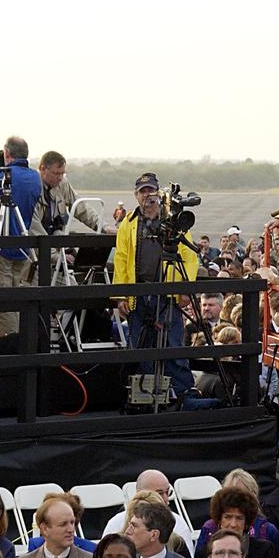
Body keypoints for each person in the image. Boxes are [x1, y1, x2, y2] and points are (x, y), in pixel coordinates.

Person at [114, 172, 202, 405]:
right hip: (138, 294)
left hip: (168, 292)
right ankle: (145, 398)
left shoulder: (174, 221)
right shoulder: (128, 223)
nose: (147, 196)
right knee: (141, 347)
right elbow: (121, 260)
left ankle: (184, 395)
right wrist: (121, 296)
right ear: (136, 195)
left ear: (159, 193)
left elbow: (189, 256)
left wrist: (184, 289)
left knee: (173, 346)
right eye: (142, 192)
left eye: (151, 191)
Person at [0, 136, 39, 340]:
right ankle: (21, 341)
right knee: (15, 302)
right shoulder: (35, 177)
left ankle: (12, 344)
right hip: (21, 250)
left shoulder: (3, 175)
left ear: (6, 153)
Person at [194, 488, 279, 558]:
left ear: (247, 523)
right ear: (219, 520)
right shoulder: (204, 555)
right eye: (228, 517)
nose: (233, 524)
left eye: (239, 518)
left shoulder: (265, 551)